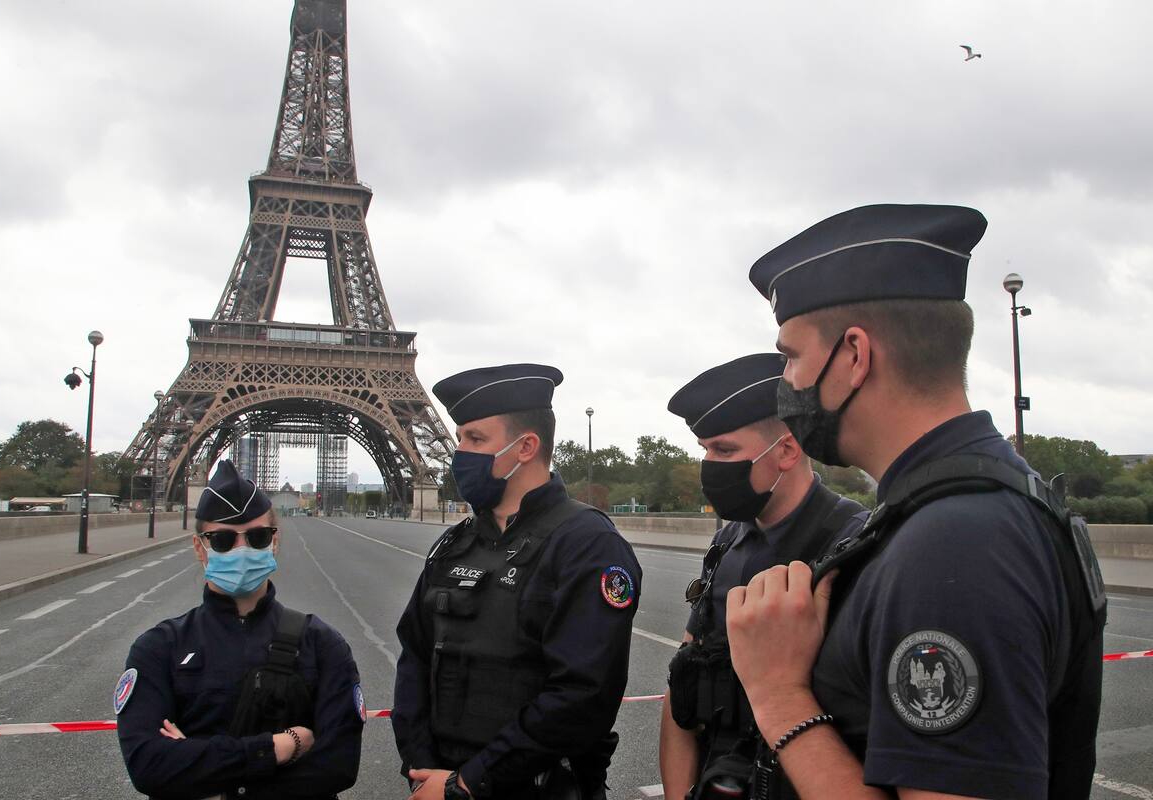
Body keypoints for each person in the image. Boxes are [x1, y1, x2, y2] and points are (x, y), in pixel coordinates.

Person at [725, 204, 1106, 799]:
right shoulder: (954, 508)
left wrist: (778, 695)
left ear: (854, 355)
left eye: (793, 357)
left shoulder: (958, 542)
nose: (787, 385)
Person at [392, 363, 642, 800]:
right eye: (459, 439)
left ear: (526, 446)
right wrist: (422, 766)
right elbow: (414, 655)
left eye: (475, 439)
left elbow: (582, 696)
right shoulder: (454, 544)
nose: (459, 454)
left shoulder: (588, 544)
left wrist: (468, 782)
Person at [659, 354, 865, 800]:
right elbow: (683, 686)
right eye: (706, 451)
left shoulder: (853, 547)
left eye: (725, 450)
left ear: (787, 451)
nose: (710, 466)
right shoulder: (727, 544)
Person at [116, 460, 364, 799]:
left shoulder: (323, 643)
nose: (242, 549)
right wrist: (279, 747)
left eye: (258, 537)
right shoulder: (157, 648)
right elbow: (149, 766)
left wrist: (199, 769)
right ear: (199, 547)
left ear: (274, 543)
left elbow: (337, 765)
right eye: (222, 540)